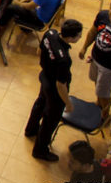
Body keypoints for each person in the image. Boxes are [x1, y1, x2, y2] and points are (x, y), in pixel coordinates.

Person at [23, 18, 83, 161]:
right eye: (79, 35)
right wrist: (68, 103)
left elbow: (39, 51)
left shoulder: (50, 34)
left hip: (44, 77)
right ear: (71, 38)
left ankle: (31, 129)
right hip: (54, 89)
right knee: (50, 120)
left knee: (40, 103)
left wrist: (47, 66)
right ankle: (40, 150)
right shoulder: (64, 60)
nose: (80, 37)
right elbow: (61, 85)